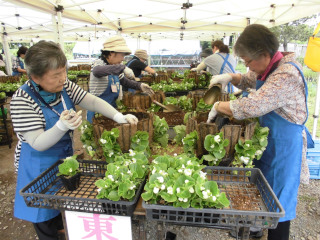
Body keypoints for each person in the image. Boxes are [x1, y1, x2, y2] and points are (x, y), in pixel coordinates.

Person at [10, 40, 139, 240]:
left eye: (64, 71)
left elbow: (92, 100)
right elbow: (37, 142)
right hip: (38, 164)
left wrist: (118, 116)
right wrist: (61, 126)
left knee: (63, 205)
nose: (63, 78)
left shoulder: (65, 86)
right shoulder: (22, 100)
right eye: (56, 75)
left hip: (63, 159)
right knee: (44, 217)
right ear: (35, 77)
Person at [207, 24, 314, 240]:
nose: (248, 67)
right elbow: (251, 79)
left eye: (248, 62)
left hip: (285, 146)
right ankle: (256, 228)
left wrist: (219, 107)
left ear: (264, 54)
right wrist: (232, 78)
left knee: (279, 202)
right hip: (271, 141)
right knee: (263, 191)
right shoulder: (272, 66)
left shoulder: (287, 74)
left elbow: (253, 105)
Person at [87, 36, 154, 122]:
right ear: (111, 53)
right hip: (97, 114)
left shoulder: (114, 67)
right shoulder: (99, 63)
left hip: (111, 111)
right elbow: (97, 71)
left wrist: (140, 85)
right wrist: (122, 68)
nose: (123, 58)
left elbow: (124, 81)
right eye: (122, 55)